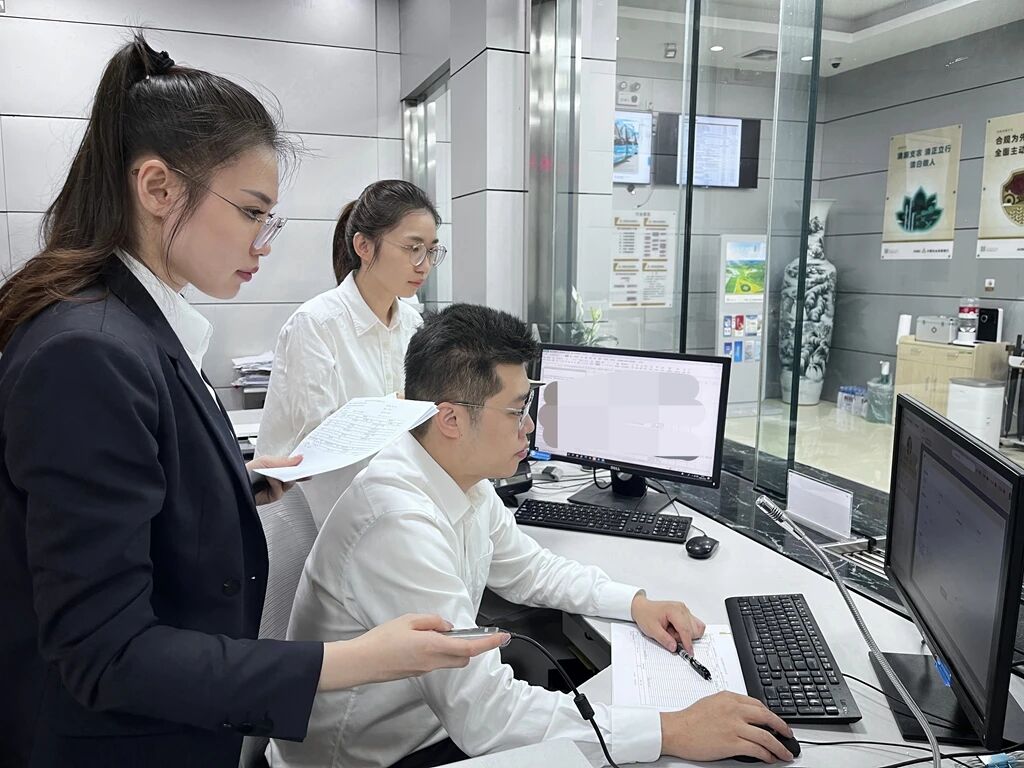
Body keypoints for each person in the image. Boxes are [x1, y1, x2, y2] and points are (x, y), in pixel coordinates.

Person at [0, 36, 503, 768]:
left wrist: (237, 481)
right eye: (251, 211)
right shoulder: (90, 351)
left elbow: (128, 492)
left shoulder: (133, 326)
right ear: (158, 188)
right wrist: (354, 660)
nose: (264, 242)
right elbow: (105, 653)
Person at [272, 303, 797, 768]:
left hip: (431, 722)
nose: (530, 426)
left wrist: (634, 603)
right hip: (378, 756)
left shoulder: (455, 473)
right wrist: (672, 729)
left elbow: (528, 569)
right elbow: (486, 718)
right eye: (516, 409)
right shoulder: (397, 520)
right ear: (451, 419)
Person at [256, 179, 445, 528]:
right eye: (413, 248)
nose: (424, 265)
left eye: (431, 250)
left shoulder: (413, 324)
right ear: (364, 246)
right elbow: (322, 445)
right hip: (314, 519)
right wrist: (401, 405)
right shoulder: (316, 324)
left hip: (390, 510)